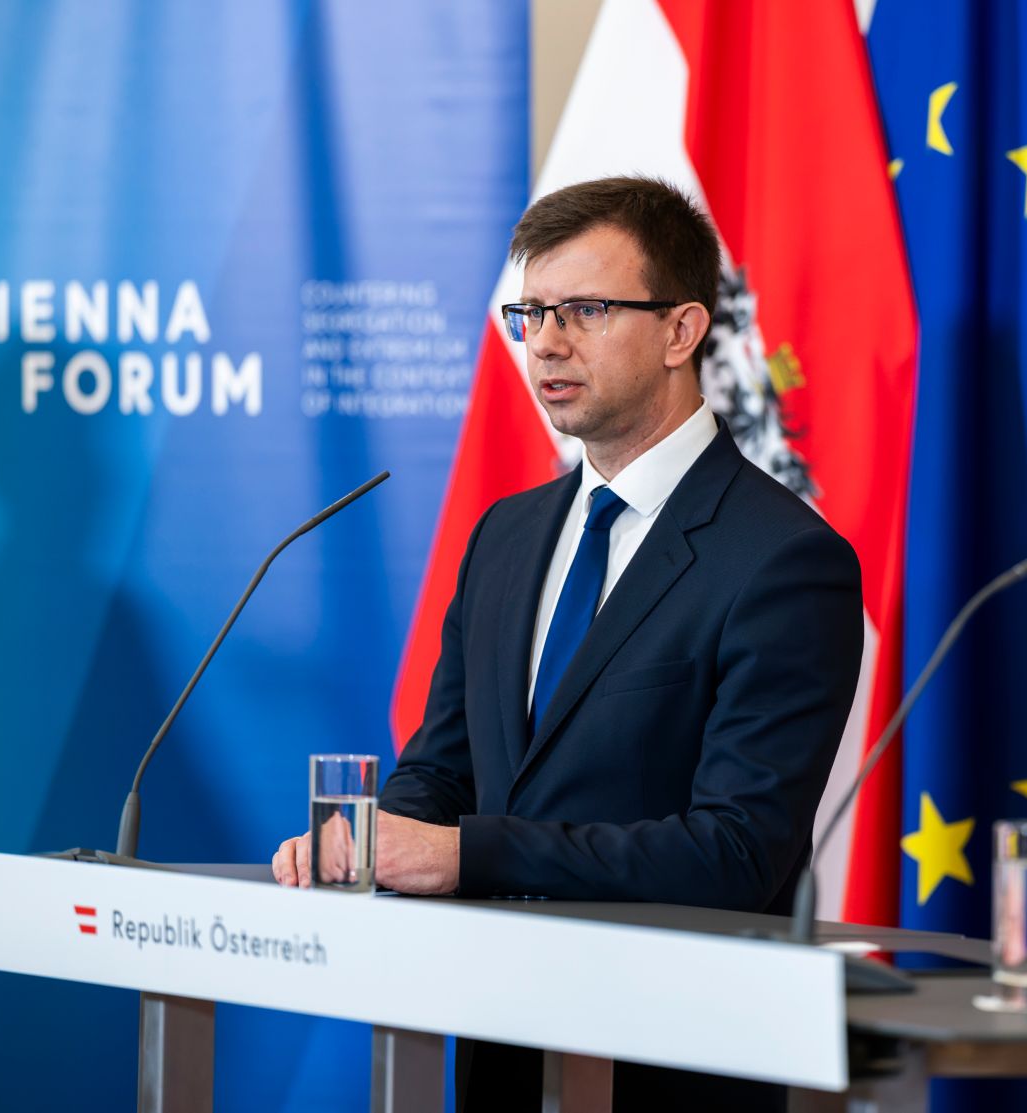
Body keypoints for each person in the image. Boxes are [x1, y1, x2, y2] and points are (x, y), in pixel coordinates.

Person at [271, 176, 864, 1111]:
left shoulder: (786, 560)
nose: (545, 340)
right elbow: (444, 766)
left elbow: (735, 853)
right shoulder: (506, 534)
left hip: (674, 1062)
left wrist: (463, 855)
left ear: (682, 331)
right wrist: (373, 840)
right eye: (532, 311)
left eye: (584, 310)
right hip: (504, 1046)